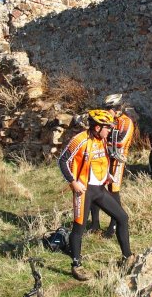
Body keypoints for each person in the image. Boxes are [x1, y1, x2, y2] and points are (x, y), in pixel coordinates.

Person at [58, 109, 133, 281]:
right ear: (97, 127)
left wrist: (107, 174)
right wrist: (72, 182)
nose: (110, 130)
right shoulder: (80, 139)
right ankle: (76, 265)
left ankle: (127, 257)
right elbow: (62, 160)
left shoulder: (102, 139)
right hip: (83, 190)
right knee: (79, 227)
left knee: (122, 217)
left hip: (99, 189)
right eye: (107, 127)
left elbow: (102, 159)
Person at [88, 94, 135, 239]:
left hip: (117, 160)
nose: (107, 111)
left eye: (109, 108)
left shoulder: (126, 122)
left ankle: (113, 225)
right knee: (95, 187)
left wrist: (102, 140)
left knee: (114, 191)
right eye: (106, 108)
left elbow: (120, 142)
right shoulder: (110, 120)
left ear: (117, 108)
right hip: (103, 158)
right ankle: (95, 223)